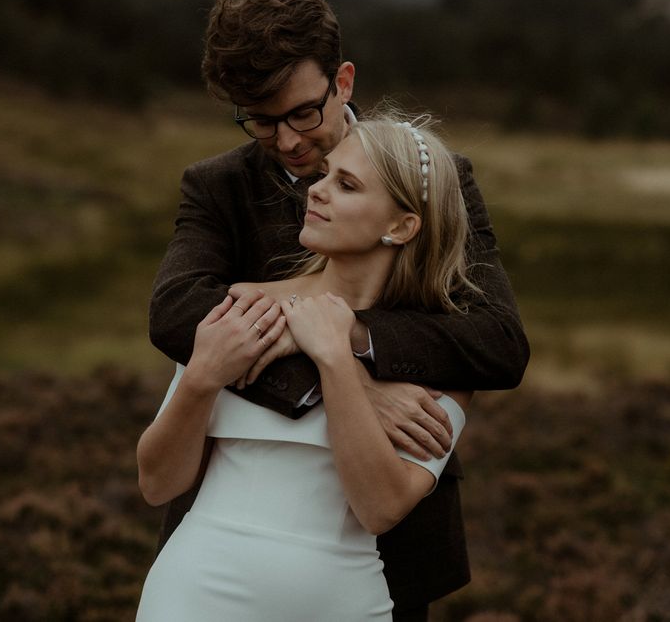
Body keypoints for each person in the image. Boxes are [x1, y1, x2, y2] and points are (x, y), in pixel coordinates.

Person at [148, 0, 529, 621]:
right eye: (261, 121)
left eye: (303, 113)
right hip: (222, 552)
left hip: (388, 556)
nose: (290, 142)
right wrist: (341, 384)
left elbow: (497, 341)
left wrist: (345, 339)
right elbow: (179, 313)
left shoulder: (437, 177)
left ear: (342, 81)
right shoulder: (217, 187)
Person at [137, 113, 482, 621]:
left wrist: (337, 361)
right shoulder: (241, 307)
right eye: (323, 176)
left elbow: (380, 507)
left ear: (401, 226)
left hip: (342, 604)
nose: (316, 192)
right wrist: (201, 377)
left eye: (345, 184)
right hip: (195, 592)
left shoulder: (437, 354)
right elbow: (156, 483)